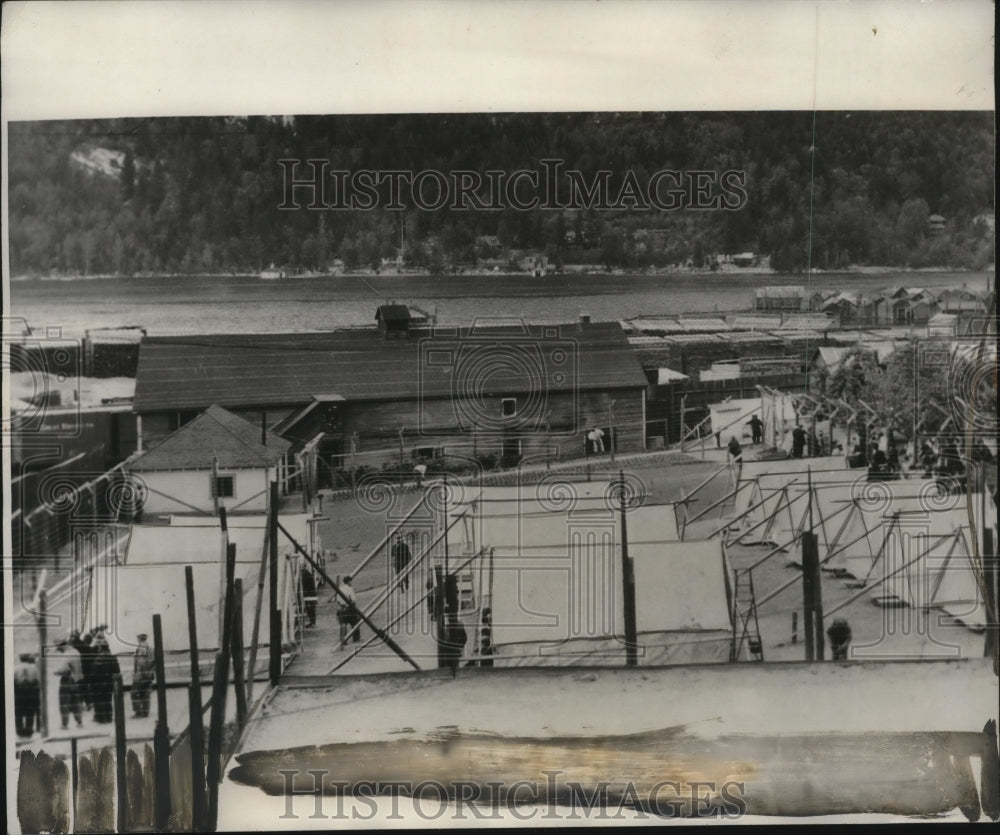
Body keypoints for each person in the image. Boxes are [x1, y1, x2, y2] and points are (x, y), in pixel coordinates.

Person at [89, 634, 121, 724]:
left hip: (99, 684)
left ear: (100, 648)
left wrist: (91, 685)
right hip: (109, 683)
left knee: (99, 701)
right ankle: (109, 717)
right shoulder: (113, 658)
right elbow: (117, 671)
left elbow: (94, 675)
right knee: (108, 700)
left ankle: (101, 719)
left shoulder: (98, 659)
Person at [53, 640, 84, 729]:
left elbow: (64, 669)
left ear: (62, 647)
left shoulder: (66, 655)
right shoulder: (76, 652)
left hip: (67, 680)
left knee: (64, 703)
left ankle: (64, 724)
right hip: (76, 680)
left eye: (59, 649)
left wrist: (56, 672)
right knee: (76, 702)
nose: (59, 651)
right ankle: (79, 722)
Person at [14, 652, 41, 738]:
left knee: (18, 713)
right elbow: (38, 681)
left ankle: (19, 731)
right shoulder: (34, 668)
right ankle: (29, 730)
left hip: (19, 692)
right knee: (30, 712)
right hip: (31, 692)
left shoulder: (15, 668)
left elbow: (13, 680)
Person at [130, 633, 155, 719]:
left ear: (139, 638)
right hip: (149, 675)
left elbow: (141, 663)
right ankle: (145, 712)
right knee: (146, 693)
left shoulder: (140, 649)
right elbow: (155, 662)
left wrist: (142, 674)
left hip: (141, 676)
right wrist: (150, 672)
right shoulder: (151, 649)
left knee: (134, 693)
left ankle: (139, 712)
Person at [337, 576, 361, 646]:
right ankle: (356, 638)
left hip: (341, 608)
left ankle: (343, 640)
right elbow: (353, 600)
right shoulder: (350, 589)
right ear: (349, 581)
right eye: (351, 581)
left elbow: (338, 601)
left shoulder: (340, 588)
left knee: (343, 624)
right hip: (349, 609)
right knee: (355, 622)